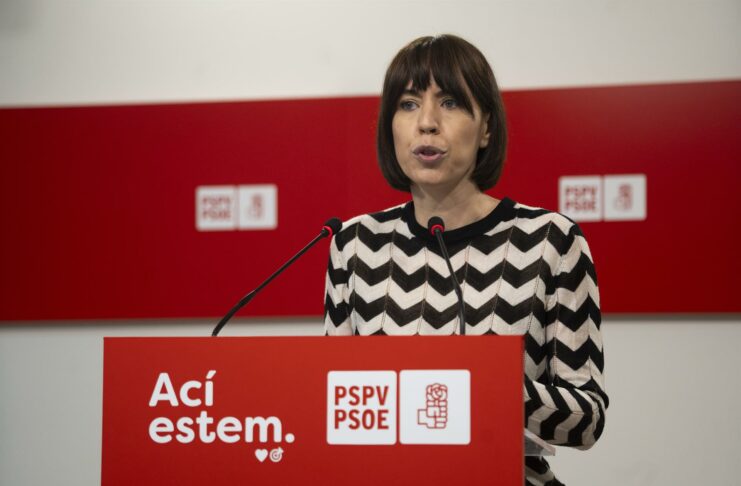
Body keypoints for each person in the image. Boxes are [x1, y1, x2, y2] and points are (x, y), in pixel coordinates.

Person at [324, 34, 607, 486]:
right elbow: (335, 401)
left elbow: (588, 418)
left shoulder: (550, 240)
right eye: (408, 104)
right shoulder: (356, 244)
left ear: (486, 128)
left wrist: (486, 386)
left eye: (450, 102)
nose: (427, 123)